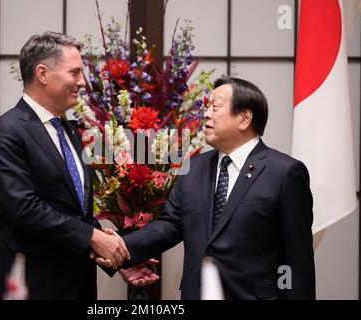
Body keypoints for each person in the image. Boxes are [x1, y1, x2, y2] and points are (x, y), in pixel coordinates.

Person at [106, 77, 316, 299]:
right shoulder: (193, 167)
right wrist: (119, 247)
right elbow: (170, 224)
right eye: (206, 107)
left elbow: (299, 260)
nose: (206, 114)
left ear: (244, 118)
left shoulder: (284, 172)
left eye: (215, 107)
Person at [0, 32, 130, 300]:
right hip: (29, 285)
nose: (82, 82)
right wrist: (92, 237)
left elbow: (71, 208)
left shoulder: (71, 131)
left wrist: (109, 248)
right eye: (74, 73)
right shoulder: (6, 132)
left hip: (77, 285)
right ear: (43, 73)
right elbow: (24, 209)